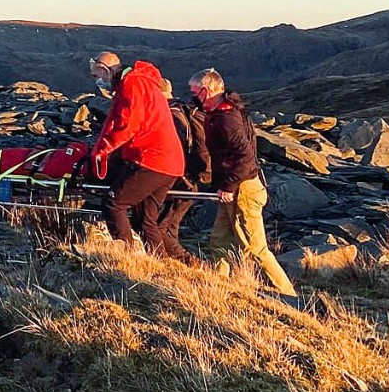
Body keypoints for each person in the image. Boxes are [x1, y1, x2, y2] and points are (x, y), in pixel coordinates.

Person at [189, 68, 297, 296]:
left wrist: (228, 186)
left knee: (255, 248)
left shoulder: (227, 119)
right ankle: (219, 286)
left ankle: (288, 295)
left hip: (243, 190)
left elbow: (245, 157)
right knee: (220, 241)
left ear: (206, 91)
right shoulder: (224, 113)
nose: (192, 96)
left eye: (194, 92)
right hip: (233, 187)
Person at [89, 52, 186, 256]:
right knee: (146, 220)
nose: (98, 81)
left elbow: (128, 125)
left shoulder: (132, 84)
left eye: (97, 75)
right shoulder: (143, 82)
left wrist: (104, 150)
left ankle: (126, 255)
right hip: (170, 162)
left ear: (106, 69)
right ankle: (160, 262)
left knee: (114, 203)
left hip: (151, 159)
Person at [156, 78, 209, 265]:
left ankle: (189, 263)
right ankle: (176, 263)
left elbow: (176, 148)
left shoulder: (171, 114)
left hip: (180, 178)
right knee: (169, 225)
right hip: (191, 178)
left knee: (160, 226)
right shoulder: (182, 108)